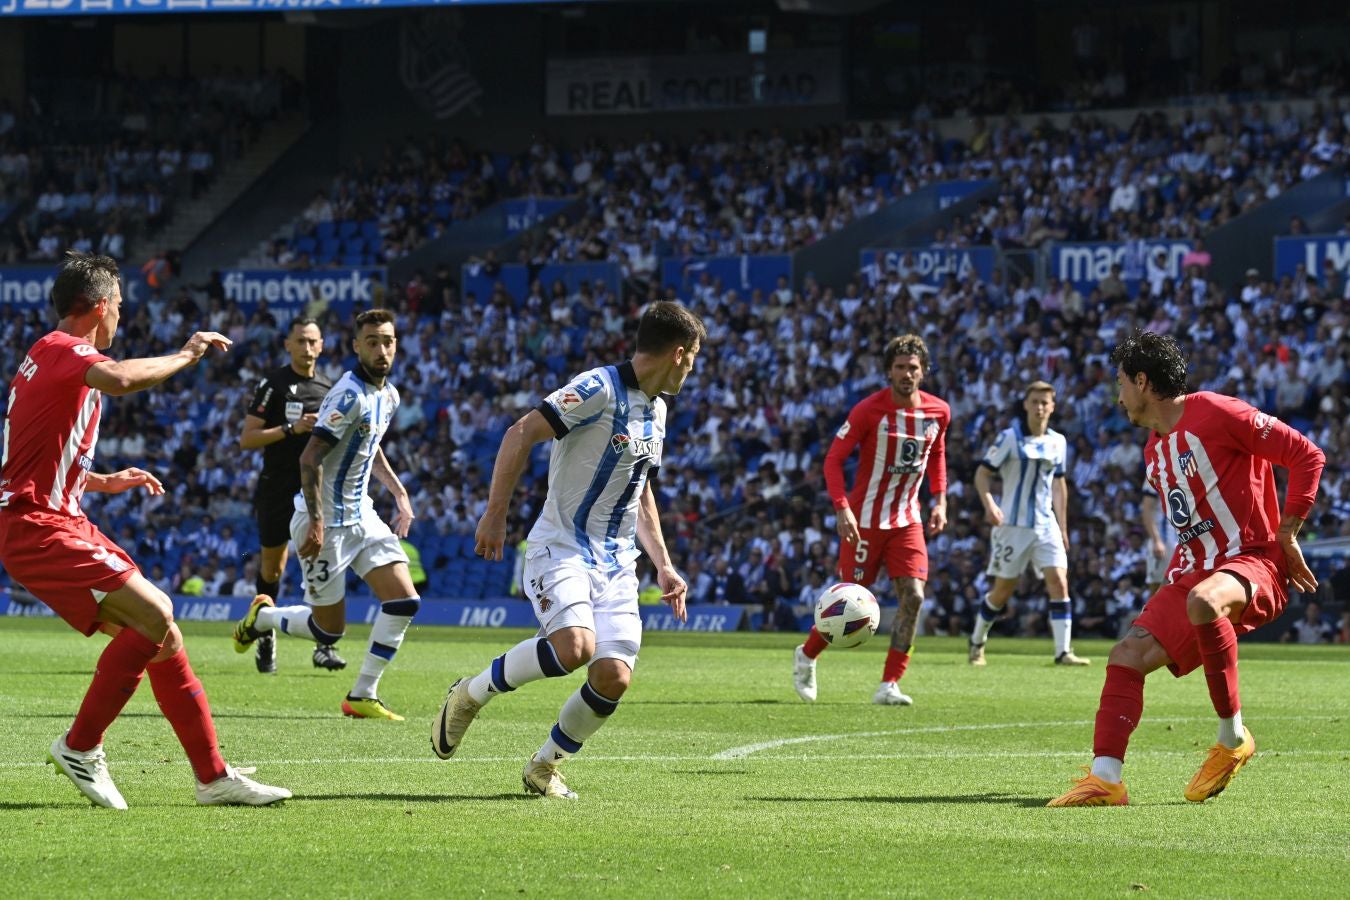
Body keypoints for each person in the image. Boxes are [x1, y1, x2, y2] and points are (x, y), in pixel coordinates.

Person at [0, 251, 289, 808]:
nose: (121, 320)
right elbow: (123, 378)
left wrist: (101, 480)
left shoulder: (44, 354)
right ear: (101, 307)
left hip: (57, 517)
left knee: (165, 639)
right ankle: (80, 746)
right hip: (38, 528)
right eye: (120, 309)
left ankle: (212, 777)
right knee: (156, 613)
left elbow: (35, 451)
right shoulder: (66, 351)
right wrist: (187, 353)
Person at [431, 301, 703, 800]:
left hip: (619, 561)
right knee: (574, 648)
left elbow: (640, 488)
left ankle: (545, 765)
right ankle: (469, 694)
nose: (692, 371)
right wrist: (495, 513)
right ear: (679, 353)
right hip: (562, 547)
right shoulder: (598, 387)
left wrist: (663, 564)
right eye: (694, 359)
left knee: (613, 677)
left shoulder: (658, 410)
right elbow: (521, 432)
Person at [1049, 332, 1324, 807]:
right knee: (1125, 655)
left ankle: (1232, 738)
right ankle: (1106, 779)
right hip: (1194, 572)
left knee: (1205, 600)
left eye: (1121, 383)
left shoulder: (1218, 412)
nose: (1118, 397)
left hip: (1253, 561)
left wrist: (1287, 535)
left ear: (1142, 381)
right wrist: (1164, 589)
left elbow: (1306, 455)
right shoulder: (1154, 452)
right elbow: (1191, 531)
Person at [231, 309, 419, 721]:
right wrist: (316, 520)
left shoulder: (389, 395)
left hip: (363, 517)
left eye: (387, 340)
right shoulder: (347, 393)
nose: (381, 349)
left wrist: (400, 493)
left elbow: (371, 446)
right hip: (324, 523)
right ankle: (264, 617)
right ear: (356, 346)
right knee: (328, 630)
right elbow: (310, 456)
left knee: (404, 601)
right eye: (372, 341)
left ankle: (363, 694)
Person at [793, 334, 949, 706]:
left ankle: (889, 685)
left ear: (923, 372)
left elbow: (938, 454)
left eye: (913, 367)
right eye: (899, 367)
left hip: (907, 521)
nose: (907, 373)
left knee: (913, 597)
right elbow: (833, 460)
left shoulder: (939, 412)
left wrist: (940, 501)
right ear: (888, 372)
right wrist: (842, 508)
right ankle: (807, 654)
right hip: (862, 522)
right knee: (848, 604)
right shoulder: (868, 411)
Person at [969, 381, 1089, 666]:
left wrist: (1062, 525)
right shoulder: (1009, 438)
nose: (1039, 407)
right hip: (1012, 526)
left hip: (1046, 525)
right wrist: (990, 505)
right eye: (1034, 401)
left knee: (1059, 582)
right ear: (1025, 405)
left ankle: (1063, 652)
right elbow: (981, 474)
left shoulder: (1058, 441)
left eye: (1044, 402)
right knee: (1002, 591)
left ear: (1053, 406)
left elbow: (1059, 484)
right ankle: (977, 642)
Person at [239, 316, 334, 674]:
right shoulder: (273, 385)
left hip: (313, 488)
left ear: (321, 345)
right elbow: (248, 438)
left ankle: (325, 644)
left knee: (320, 562)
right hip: (276, 487)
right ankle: (265, 632)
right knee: (272, 566)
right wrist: (290, 428)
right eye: (301, 341)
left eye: (313, 341)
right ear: (288, 345)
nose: (308, 348)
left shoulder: (329, 388)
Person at [1139, 484, 1178, 593]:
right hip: (1163, 540)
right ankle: (1151, 610)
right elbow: (1146, 510)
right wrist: (1156, 541)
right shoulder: (1154, 471)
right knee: (1157, 586)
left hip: (1181, 538)